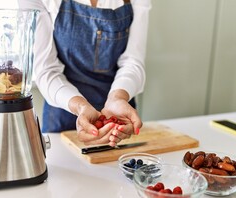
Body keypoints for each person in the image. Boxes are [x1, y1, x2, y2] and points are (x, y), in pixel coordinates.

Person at [18, 0, 151, 146]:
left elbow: (132, 61)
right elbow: (46, 69)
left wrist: (118, 97)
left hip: (119, 115)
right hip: (64, 110)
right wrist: (80, 106)